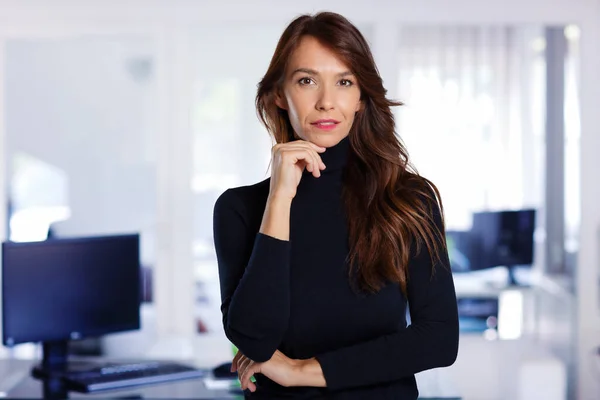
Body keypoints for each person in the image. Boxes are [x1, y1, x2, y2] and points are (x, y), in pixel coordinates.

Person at [213, 11, 459, 400]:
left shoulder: (407, 200)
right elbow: (256, 340)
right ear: (280, 93)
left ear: (361, 98)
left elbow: (439, 339)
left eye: (344, 82)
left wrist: (301, 371)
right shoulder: (240, 209)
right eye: (307, 81)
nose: (327, 102)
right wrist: (279, 198)